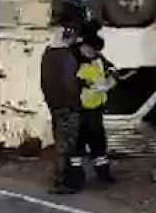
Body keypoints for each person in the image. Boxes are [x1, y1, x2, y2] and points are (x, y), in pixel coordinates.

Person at [71, 32, 117, 186]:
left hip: (96, 108)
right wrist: (87, 85)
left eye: (95, 51)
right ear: (84, 46)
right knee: (77, 144)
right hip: (78, 108)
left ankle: (103, 174)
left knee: (99, 142)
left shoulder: (98, 59)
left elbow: (111, 70)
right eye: (90, 50)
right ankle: (76, 177)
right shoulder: (72, 60)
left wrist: (110, 81)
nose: (92, 54)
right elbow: (68, 81)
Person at [40, 26, 82, 194]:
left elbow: (43, 82)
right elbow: (69, 83)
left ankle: (60, 179)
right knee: (67, 145)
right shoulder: (66, 57)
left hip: (54, 104)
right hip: (67, 105)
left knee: (59, 142)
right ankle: (63, 181)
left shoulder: (48, 55)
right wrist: (76, 102)